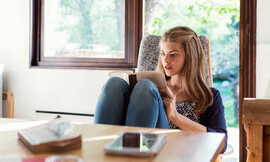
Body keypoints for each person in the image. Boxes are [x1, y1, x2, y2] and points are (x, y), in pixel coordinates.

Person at [94, 26, 227, 152]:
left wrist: (175, 117)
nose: (165, 60)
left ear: (190, 57)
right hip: (136, 144)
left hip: (171, 155)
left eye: (173, 55)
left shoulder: (209, 96)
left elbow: (222, 144)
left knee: (145, 87)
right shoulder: (155, 88)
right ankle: (99, 154)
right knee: (114, 83)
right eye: (163, 54)